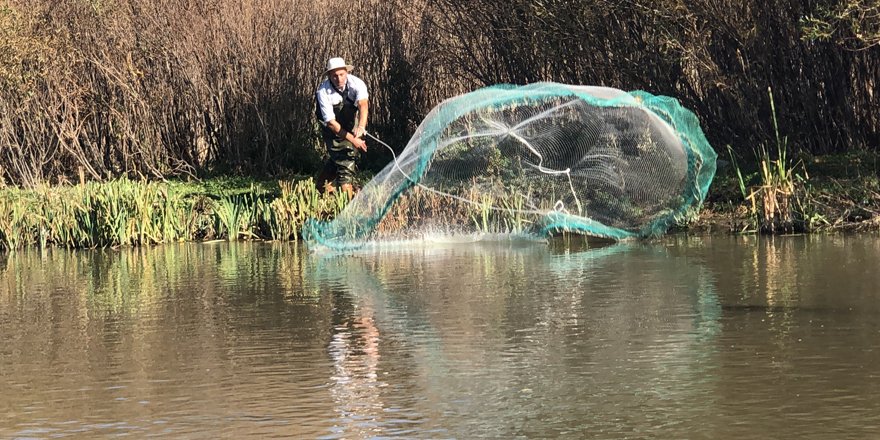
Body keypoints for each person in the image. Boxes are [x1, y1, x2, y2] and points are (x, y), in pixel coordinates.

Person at [315, 57, 369, 197]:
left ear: (346, 72)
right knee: (342, 157)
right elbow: (331, 123)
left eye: (341, 74)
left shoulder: (357, 83)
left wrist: (361, 127)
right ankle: (346, 199)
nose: (338, 79)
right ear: (329, 76)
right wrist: (353, 140)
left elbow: (363, 104)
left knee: (344, 157)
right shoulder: (323, 92)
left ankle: (323, 187)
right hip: (332, 129)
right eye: (334, 75)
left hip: (351, 123)